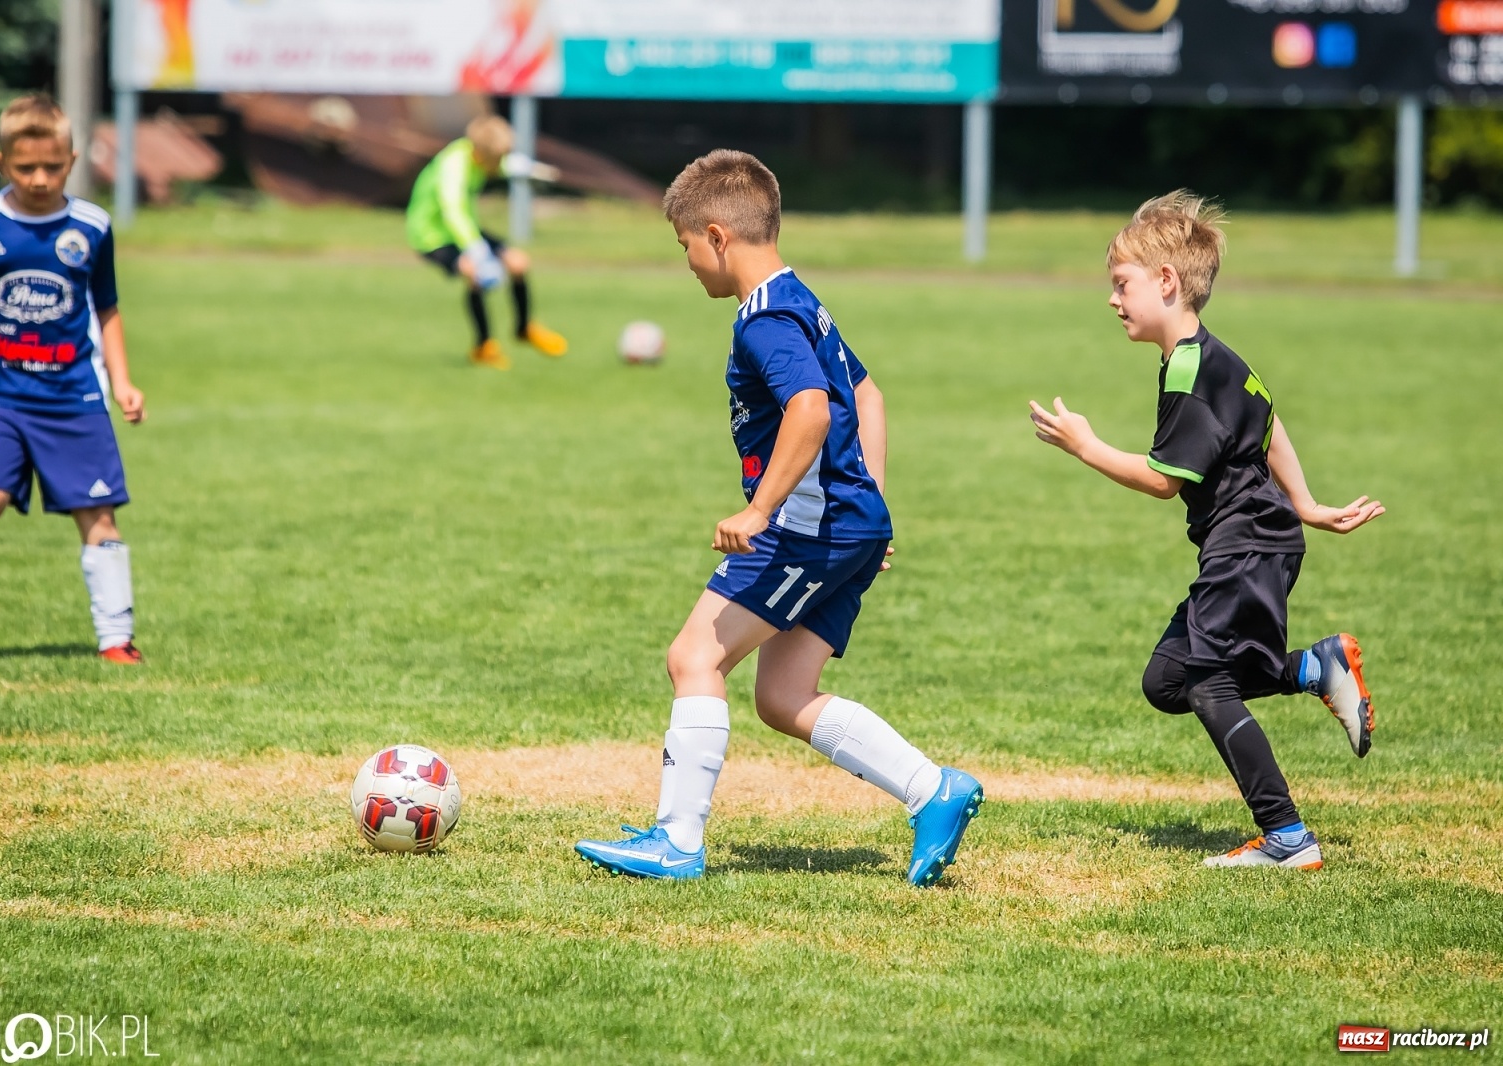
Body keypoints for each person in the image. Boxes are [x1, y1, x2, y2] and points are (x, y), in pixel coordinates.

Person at [574, 150, 984, 887]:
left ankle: (677, 840)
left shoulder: (763, 321)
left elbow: (813, 408)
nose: (689, 264)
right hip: (848, 523)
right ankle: (934, 790)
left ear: (717, 235)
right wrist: (875, 507)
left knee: (694, 657)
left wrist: (761, 510)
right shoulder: (801, 298)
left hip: (806, 528)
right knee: (783, 696)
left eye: (685, 248)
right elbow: (870, 396)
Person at [1028, 190, 1384, 869]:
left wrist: (1085, 445)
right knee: (1168, 681)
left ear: (1166, 282)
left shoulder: (1192, 366)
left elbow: (1166, 479)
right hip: (1251, 541)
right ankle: (1316, 667)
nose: (1112, 299)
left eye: (1121, 284)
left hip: (1246, 544)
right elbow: (1269, 421)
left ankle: (1286, 837)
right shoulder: (1215, 358)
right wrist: (1305, 503)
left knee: (1209, 684)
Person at [0, 96, 145, 663]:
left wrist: (124, 380)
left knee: (98, 514)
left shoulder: (91, 226)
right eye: (25, 168)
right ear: (1, 162)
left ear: (72, 159)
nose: (40, 179)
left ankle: (117, 641)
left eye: (53, 167)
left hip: (76, 397)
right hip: (0, 394)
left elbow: (107, 307)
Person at [406, 114, 567, 371]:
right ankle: (483, 346)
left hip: (464, 230)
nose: (498, 165)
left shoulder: (479, 155)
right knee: (474, 272)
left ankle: (524, 328)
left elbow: (503, 164)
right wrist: (478, 252)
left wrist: (532, 170)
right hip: (432, 235)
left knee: (518, 263)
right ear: (481, 155)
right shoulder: (453, 166)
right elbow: (453, 210)